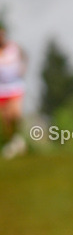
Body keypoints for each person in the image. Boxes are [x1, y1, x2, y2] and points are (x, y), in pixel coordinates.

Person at [0, 27, 27, 158]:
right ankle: (13, 142)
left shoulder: (14, 47)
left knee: (16, 113)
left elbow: (24, 55)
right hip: (2, 89)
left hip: (15, 86)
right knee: (6, 119)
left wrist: (23, 67)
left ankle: (18, 137)